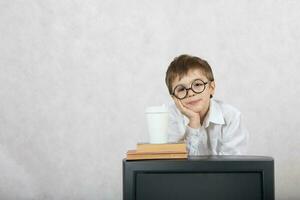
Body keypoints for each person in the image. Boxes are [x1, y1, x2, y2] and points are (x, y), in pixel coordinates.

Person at [165, 54, 249, 155]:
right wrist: (193, 123)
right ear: (174, 98)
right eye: (181, 89)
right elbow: (175, 165)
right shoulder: (169, 117)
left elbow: (233, 165)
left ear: (211, 88)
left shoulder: (231, 117)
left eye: (197, 84)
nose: (191, 93)